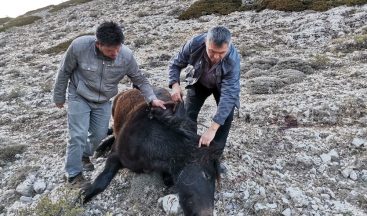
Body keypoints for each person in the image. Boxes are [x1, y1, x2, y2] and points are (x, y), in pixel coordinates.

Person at [53, 21, 166, 186]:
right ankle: (73, 175)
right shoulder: (79, 47)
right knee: (78, 134)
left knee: (99, 134)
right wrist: (59, 96)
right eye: (110, 50)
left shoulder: (126, 56)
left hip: (103, 100)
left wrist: (152, 98)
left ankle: (84, 154)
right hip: (79, 95)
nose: (115, 53)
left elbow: (140, 79)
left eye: (118, 48)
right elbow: (64, 71)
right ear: (98, 44)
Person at [168, 26, 240, 151]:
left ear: (228, 46)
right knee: (188, 114)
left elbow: (229, 96)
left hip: (222, 87)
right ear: (205, 42)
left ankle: (214, 155)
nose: (216, 57)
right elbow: (175, 64)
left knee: (226, 117)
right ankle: (190, 148)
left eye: (221, 53)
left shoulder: (233, 61)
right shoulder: (194, 44)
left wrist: (212, 129)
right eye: (212, 51)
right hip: (198, 81)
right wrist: (175, 85)